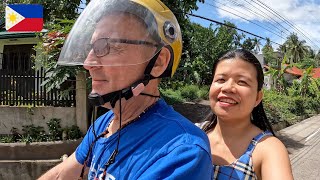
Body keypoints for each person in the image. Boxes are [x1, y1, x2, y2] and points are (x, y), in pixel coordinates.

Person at [39, 0, 213, 179]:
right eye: (93, 47)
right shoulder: (105, 124)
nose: (88, 63)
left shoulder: (182, 152)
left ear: (158, 62)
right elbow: (62, 174)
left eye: (111, 46)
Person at [197, 49, 293, 180]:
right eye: (221, 79)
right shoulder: (191, 133)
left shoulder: (268, 150)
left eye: (242, 81)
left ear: (258, 98)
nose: (227, 87)